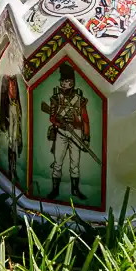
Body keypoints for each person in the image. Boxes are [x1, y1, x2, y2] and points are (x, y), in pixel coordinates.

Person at [46, 64, 90, 200]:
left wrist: (86, 137)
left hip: (76, 134)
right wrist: (60, 123)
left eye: (68, 81)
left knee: (75, 164)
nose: (65, 84)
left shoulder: (79, 99)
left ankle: (75, 190)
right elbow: (52, 117)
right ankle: (55, 190)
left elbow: (85, 120)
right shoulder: (56, 98)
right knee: (57, 163)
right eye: (64, 81)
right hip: (61, 133)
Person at [0, 74, 23, 184]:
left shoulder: (17, 77)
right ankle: (10, 169)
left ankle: (14, 170)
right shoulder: (5, 79)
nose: (13, 88)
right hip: (9, 111)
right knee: (10, 143)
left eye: (14, 86)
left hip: (15, 109)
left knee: (15, 141)